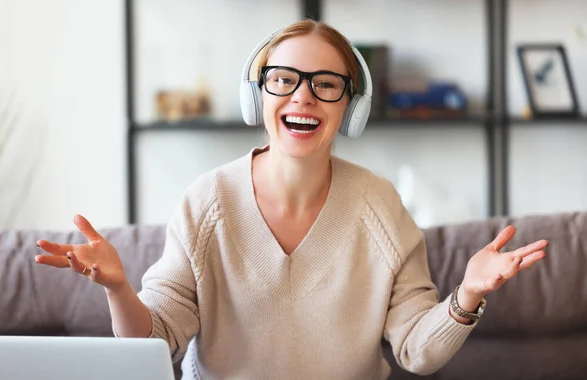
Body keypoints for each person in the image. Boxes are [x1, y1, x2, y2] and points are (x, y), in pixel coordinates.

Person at [35, 19, 548, 380]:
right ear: (258, 95)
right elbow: (152, 344)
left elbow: (417, 350)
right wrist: (119, 288)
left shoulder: (379, 206)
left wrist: (468, 295)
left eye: (326, 85)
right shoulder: (206, 202)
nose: (303, 96)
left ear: (350, 108)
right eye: (284, 80)